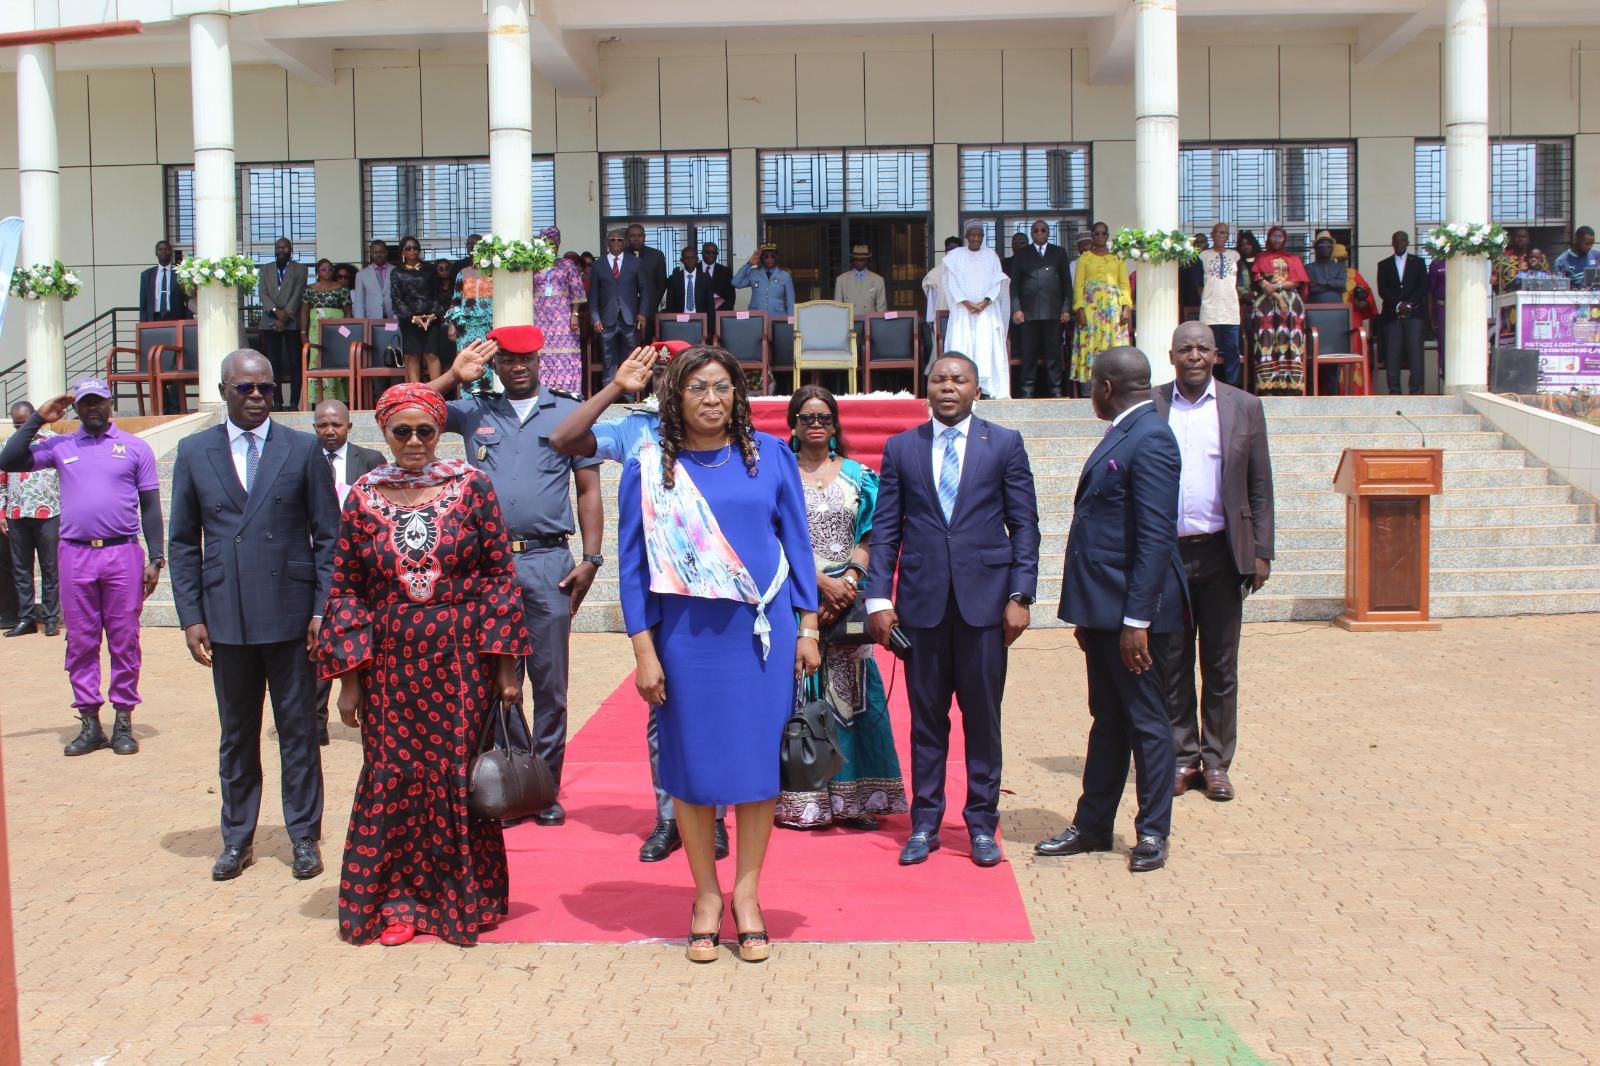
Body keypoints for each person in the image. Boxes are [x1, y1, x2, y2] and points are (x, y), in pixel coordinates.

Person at [616, 345, 820, 962]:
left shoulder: (772, 456)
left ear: (738, 395)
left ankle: (747, 895)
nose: (712, 398)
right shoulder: (650, 466)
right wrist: (644, 651)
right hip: (685, 638)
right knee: (694, 767)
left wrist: (809, 625)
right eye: (698, 387)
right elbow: (632, 568)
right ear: (675, 397)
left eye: (723, 387)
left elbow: (798, 545)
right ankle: (706, 895)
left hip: (760, 635)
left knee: (758, 767)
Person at [319, 384, 530, 947]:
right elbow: (346, 588)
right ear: (384, 433)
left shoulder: (472, 486)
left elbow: (498, 576)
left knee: (456, 777)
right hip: (389, 665)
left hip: (462, 662)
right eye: (402, 431)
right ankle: (398, 902)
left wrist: (505, 669)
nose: (414, 442)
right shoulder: (363, 495)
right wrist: (348, 681)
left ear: (441, 432)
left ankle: (462, 899)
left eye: (425, 431)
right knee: (394, 776)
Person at [547, 341, 732, 860]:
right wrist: (614, 388)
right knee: (663, 710)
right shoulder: (636, 429)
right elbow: (563, 439)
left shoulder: (721, 427)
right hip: (659, 592)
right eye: (661, 373)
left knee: (716, 711)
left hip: (717, 589)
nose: (669, 381)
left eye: (680, 373)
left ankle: (715, 816)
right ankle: (670, 818)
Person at [167, 350, 340, 882]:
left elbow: (329, 537)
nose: (259, 396)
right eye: (246, 388)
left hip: (292, 615)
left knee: (298, 732)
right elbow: (182, 542)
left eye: (266, 387)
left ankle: (303, 835)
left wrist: (322, 608)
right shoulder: (194, 451)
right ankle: (236, 838)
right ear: (224, 391)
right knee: (237, 735)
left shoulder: (303, 447)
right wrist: (191, 615)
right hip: (228, 614)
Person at [866, 353, 1040, 869]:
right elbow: (886, 530)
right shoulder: (902, 448)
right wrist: (879, 599)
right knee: (927, 721)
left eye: (958, 380)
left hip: (986, 608)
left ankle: (982, 824)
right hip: (922, 608)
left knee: (983, 719)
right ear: (927, 389)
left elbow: (1024, 525)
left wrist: (1021, 595)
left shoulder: (1004, 444)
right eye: (939, 379)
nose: (948, 387)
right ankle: (925, 823)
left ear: (975, 390)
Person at [433, 327, 605, 827]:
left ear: (539, 360)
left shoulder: (568, 413)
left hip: (548, 561)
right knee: (495, 680)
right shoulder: (475, 411)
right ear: (495, 365)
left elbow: (589, 489)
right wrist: (452, 374)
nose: (518, 367)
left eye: (526, 358)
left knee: (550, 685)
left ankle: (544, 787)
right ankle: (512, 782)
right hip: (486, 567)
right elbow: (408, 409)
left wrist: (592, 558)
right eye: (507, 360)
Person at [1036, 346, 1186, 874]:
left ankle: (1153, 831)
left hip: (1133, 616)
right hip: (1104, 611)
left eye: (1090, 386)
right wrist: (1089, 616)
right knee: (1108, 719)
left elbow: (1155, 538)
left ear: (1105, 387)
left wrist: (1136, 622)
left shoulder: (1152, 437)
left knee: (1146, 722)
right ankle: (1094, 824)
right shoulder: (1127, 431)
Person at [0, 378, 163, 757]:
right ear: (75, 408)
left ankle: (123, 722)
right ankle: (90, 723)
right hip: (75, 555)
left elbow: (151, 506)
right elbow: (8, 460)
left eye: (98, 401)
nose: (92, 408)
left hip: (122, 554)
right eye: (85, 402)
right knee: (81, 641)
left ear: (110, 403)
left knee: (124, 640)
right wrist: (39, 419)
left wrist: (156, 557)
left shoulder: (135, 448)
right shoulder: (60, 446)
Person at [775, 386, 908, 831]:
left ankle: (856, 799)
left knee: (852, 698)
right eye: (807, 417)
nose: (816, 424)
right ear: (793, 424)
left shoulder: (860, 475)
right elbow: (772, 537)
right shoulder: (779, 474)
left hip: (848, 600)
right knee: (799, 691)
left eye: (824, 417)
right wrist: (818, 585)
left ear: (834, 424)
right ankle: (804, 800)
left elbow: (872, 534)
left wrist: (848, 583)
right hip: (795, 594)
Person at [1153, 323, 1274, 803]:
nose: (1194, 356)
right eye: (1185, 348)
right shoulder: (1151, 405)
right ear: (1171, 356)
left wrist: (1261, 551)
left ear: (1216, 355)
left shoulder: (1244, 406)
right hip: (1167, 556)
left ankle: (1217, 761)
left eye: (1203, 348)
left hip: (1223, 553)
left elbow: (1260, 485)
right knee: (1173, 661)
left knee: (1221, 663)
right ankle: (1182, 758)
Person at [310, 399, 385, 744]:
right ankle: (315, 724)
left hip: (360, 566)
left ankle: (369, 713)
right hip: (317, 563)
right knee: (316, 644)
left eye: (336, 425)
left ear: (349, 427)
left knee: (358, 640)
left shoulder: (369, 460)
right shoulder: (303, 459)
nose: (329, 431)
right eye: (322, 425)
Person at [1, 401, 62, 638]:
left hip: (48, 513)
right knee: (21, 569)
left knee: (50, 567)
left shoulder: (53, 442)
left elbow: (65, 477)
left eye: (24, 423)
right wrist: (1, 513)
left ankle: (51, 619)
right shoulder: (9, 444)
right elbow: (1, 481)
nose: (20, 428)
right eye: (16, 425)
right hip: (16, 514)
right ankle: (26, 618)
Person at [941, 222, 1011, 399]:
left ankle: (985, 390)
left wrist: (986, 301)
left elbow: (998, 281)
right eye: (973, 235)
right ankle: (962, 388)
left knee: (985, 349)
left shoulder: (991, 255)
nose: (976, 238)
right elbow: (951, 283)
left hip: (986, 312)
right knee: (964, 348)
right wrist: (966, 303)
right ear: (966, 236)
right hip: (963, 313)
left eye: (979, 235)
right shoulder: (955, 256)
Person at [1008, 220, 1073, 398]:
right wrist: (1016, 309)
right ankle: (1027, 390)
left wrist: (1066, 308)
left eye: (1043, 230)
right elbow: (1014, 285)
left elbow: (1067, 284)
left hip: (1053, 312)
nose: (1039, 233)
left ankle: (1055, 390)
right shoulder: (1022, 254)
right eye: (1036, 230)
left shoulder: (1059, 252)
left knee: (1053, 353)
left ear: (1048, 232)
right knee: (1028, 353)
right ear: (1031, 233)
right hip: (1028, 313)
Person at [1072, 222, 1134, 393]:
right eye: (1096, 233)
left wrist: (1126, 307)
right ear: (1092, 236)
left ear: (1107, 236)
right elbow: (1078, 286)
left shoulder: (1118, 257)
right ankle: (1089, 389)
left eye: (1103, 233)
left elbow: (1124, 284)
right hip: (1091, 308)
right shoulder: (1085, 258)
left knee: (1114, 345)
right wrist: (1079, 310)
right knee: (1090, 343)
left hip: (1113, 309)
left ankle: (1116, 386)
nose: (1100, 236)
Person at [1248, 226, 1309, 395]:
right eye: (1273, 237)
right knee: (1266, 340)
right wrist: (1279, 298)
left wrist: (1278, 285)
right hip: (1266, 305)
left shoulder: (1293, 258)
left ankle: (1291, 386)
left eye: (1280, 237)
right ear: (1268, 238)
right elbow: (1261, 281)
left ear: (1285, 239)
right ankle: (1267, 386)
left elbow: (1298, 281)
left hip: (1292, 306)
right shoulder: (1261, 257)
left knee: (1290, 341)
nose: (1276, 240)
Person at [528, 227, 587, 396]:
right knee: (542, 355)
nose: (549, 247)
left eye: (553, 244)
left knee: (565, 356)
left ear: (559, 245)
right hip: (540, 318)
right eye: (545, 243)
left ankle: (568, 394)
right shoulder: (533, 265)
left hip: (563, 319)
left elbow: (576, 291)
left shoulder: (567, 264)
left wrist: (574, 315)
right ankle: (542, 393)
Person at [592, 230, 647, 387]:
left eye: (619, 239)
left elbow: (644, 290)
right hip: (606, 320)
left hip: (630, 319)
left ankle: (629, 395)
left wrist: (642, 313)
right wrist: (595, 318)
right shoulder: (598, 265)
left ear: (624, 242)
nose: (616, 242)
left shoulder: (635, 262)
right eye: (612, 239)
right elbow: (594, 295)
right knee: (608, 359)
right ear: (607, 242)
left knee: (630, 358)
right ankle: (610, 395)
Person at [257, 238, 307, 411]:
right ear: (275, 249)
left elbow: (298, 294)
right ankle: (276, 402)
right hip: (270, 320)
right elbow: (262, 293)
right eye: (279, 247)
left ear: (291, 250)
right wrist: (275, 311)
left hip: (291, 320)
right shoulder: (265, 269)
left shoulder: (300, 269)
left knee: (295, 362)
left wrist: (284, 317)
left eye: (285, 248)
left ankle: (294, 403)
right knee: (273, 362)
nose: (281, 250)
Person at [1378, 230, 1429, 396]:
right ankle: (1394, 391)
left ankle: (1416, 391)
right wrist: (1398, 304)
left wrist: (1410, 304)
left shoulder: (1419, 262)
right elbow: (1382, 289)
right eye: (1396, 240)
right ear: (1392, 243)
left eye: (1402, 240)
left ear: (1407, 242)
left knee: (1416, 354)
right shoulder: (1384, 264)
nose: (1399, 243)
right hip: (1392, 315)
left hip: (1414, 314)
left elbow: (1423, 286)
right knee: (1392, 354)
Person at [388, 237, 445, 385]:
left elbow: (437, 293)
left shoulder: (429, 269)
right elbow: (396, 298)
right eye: (408, 247)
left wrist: (433, 315)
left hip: (430, 319)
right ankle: (416, 392)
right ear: (402, 251)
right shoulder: (396, 272)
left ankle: (436, 391)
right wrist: (412, 318)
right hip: (409, 320)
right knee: (413, 355)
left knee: (431, 354)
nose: (412, 250)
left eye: (415, 246)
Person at [302, 259, 353, 406]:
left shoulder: (341, 289)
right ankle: (316, 401)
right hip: (315, 333)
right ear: (317, 271)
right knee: (316, 362)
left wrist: (348, 332)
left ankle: (340, 402)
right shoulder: (309, 289)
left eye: (330, 269)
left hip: (338, 332)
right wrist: (303, 333)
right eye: (324, 269)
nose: (328, 272)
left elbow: (347, 311)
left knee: (337, 361)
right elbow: (304, 312)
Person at [1198, 223, 1243, 387]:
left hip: (1230, 310)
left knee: (1232, 349)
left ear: (1227, 236)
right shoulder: (1203, 256)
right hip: (1210, 310)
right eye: (1217, 232)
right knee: (1208, 349)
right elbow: (1197, 283)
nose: (1220, 236)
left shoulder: (1235, 256)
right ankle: (1207, 383)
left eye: (1224, 233)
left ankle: (1231, 385)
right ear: (1212, 234)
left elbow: (1240, 283)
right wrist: (1206, 298)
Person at [921, 235, 964, 362]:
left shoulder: (966, 270)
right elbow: (932, 302)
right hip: (942, 319)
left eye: (956, 248)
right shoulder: (935, 273)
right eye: (949, 248)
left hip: (962, 318)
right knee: (942, 351)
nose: (952, 251)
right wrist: (931, 320)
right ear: (945, 250)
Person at [733, 243, 796, 317]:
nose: (769, 259)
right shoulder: (754, 273)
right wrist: (749, 264)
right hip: (756, 316)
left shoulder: (785, 276)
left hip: (777, 316)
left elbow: (790, 301)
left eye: (772, 256)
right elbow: (735, 283)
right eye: (766, 257)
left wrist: (790, 320)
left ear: (776, 257)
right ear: (761, 258)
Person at [627, 224, 669, 334]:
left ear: (644, 236)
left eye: (640, 235)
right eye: (632, 236)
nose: (636, 239)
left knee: (649, 341)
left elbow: (661, 283)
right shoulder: (621, 255)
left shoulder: (657, 255)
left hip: (650, 312)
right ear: (627, 237)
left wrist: (653, 302)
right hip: (626, 311)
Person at [138, 240, 187, 324]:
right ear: (156, 253)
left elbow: (188, 300)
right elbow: (143, 303)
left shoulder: (180, 273)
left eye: (166, 249)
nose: (163, 251)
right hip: (154, 319)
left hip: (176, 319)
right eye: (160, 249)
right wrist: (143, 324)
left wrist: (187, 322)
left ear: (171, 252)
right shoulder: (146, 275)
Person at [835, 244, 887, 317]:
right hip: (848, 321)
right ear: (853, 260)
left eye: (862, 259)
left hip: (868, 321)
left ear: (867, 260)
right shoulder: (841, 280)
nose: (859, 262)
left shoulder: (878, 280)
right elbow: (837, 308)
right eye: (857, 259)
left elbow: (881, 308)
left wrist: (878, 323)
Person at [665, 247, 715, 317]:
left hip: (700, 318)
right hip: (680, 319)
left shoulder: (705, 279)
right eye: (687, 258)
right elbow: (670, 304)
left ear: (697, 259)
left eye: (693, 258)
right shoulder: (674, 279)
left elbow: (710, 304)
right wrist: (670, 321)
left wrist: (710, 323)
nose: (690, 261)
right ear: (682, 260)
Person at [351, 239, 394, 320]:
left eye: (381, 252)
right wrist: (360, 322)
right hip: (371, 318)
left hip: (393, 317)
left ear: (386, 252)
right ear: (371, 253)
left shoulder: (396, 271)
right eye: (375, 252)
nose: (378, 255)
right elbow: (359, 301)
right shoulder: (362, 274)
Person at [1493, 228, 1536, 294]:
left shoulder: (1535, 258)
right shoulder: (1501, 258)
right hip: (1507, 298)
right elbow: (1494, 283)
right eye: (1517, 236)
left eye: (1523, 236)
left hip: (1530, 298)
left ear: (1528, 240)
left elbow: (1547, 279)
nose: (1520, 239)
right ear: (1512, 240)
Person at [700, 242, 736, 316]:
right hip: (699, 313)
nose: (711, 255)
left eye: (714, 253)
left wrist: (718, 312)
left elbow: (731, 298)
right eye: (708, 252)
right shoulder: (695, 269)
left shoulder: (725, 271)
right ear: (702, 253)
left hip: (719, 313)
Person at [1179, 233, 1208, 313]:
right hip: (1189, 302)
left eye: (1202, 242)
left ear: (1207, 245)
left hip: (1207, 302)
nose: (1199, 245)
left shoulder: (1210, 261)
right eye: (1196, 242)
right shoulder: (1185, 262)